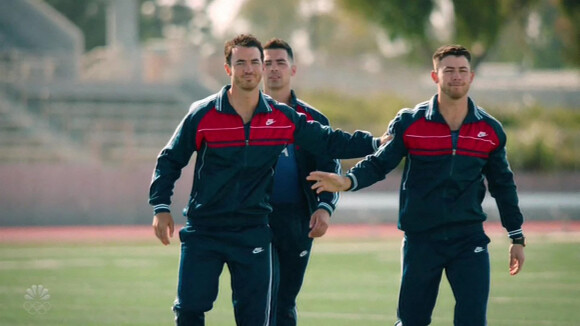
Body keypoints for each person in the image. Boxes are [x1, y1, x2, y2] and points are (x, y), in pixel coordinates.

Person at [149, 34, 383, 326]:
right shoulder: (204, 114)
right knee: (189, 311)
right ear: (228, 68)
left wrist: (374, 143)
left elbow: (328, 141)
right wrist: (160, 206)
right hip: (205, 229)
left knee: (257, 318)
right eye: (241, 63)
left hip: (253, 231)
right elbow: (170, 159)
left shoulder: (281, 117)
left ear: (261, 68)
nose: (249, 69)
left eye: (254, 62)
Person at [307, 44, 526, 326]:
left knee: (473, 320)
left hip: (468, 239)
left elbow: (503, 185)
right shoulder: (411, 122)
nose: (456, 76)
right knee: (411, 321)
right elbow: (379, 163)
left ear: (471, 77)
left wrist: (516, 236)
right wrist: (348, 181)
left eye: (462, 71)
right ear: (435, 77)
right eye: (449, 71)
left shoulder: (490, 130)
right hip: (421, 240)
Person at [263, 38, 339, 325]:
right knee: (258, 297)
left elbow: (329, 167)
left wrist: (324, 208)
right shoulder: (243, 115)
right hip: (255, 218)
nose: (273, 69)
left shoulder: (313, 119)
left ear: (293, 69)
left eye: (280, 63)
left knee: (284, 300)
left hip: (297, 219)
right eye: (267, 63)